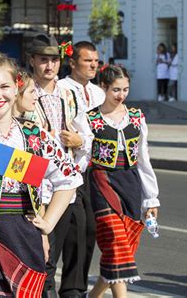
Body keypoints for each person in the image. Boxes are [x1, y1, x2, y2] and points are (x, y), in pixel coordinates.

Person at [0, 53, 83, 297]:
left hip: (24, 237)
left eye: (4, 86)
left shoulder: (34, 135)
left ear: (16, 88)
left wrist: (48, 223)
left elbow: (69, 178)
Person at [24, 34, 94, 298]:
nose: (50, 66)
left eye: (54, 60)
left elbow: (84, 133)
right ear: (32, 61)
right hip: (37, 182)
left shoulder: (69, 94)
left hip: (65, 180)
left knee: (76, 241)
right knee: (44, 253)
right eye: (44, 60)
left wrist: (79, 141)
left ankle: (72, 292)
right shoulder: (26, 91)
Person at [87, 64, 160, 298]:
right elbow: (82, 158)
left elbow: (143, 158)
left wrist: (151, 199)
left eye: (125, 89)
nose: (121, 95)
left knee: (122, 251)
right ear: (103, 88)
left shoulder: (137, 118)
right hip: (102, 184)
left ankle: (91, 296)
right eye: (116, 90)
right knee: (117, 243)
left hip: (130, 184)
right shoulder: (90, 119)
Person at [58, 40, 103, 297]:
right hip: (68, 169)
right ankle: (69, 288)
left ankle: (77, 286)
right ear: (73, 62)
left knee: (90, 229)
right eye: (87, 61)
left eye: (96, 61)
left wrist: (85, 141)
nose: (93, 65)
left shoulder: (98, 93)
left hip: (92, 169)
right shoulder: (62, 89)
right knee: (73, 227)